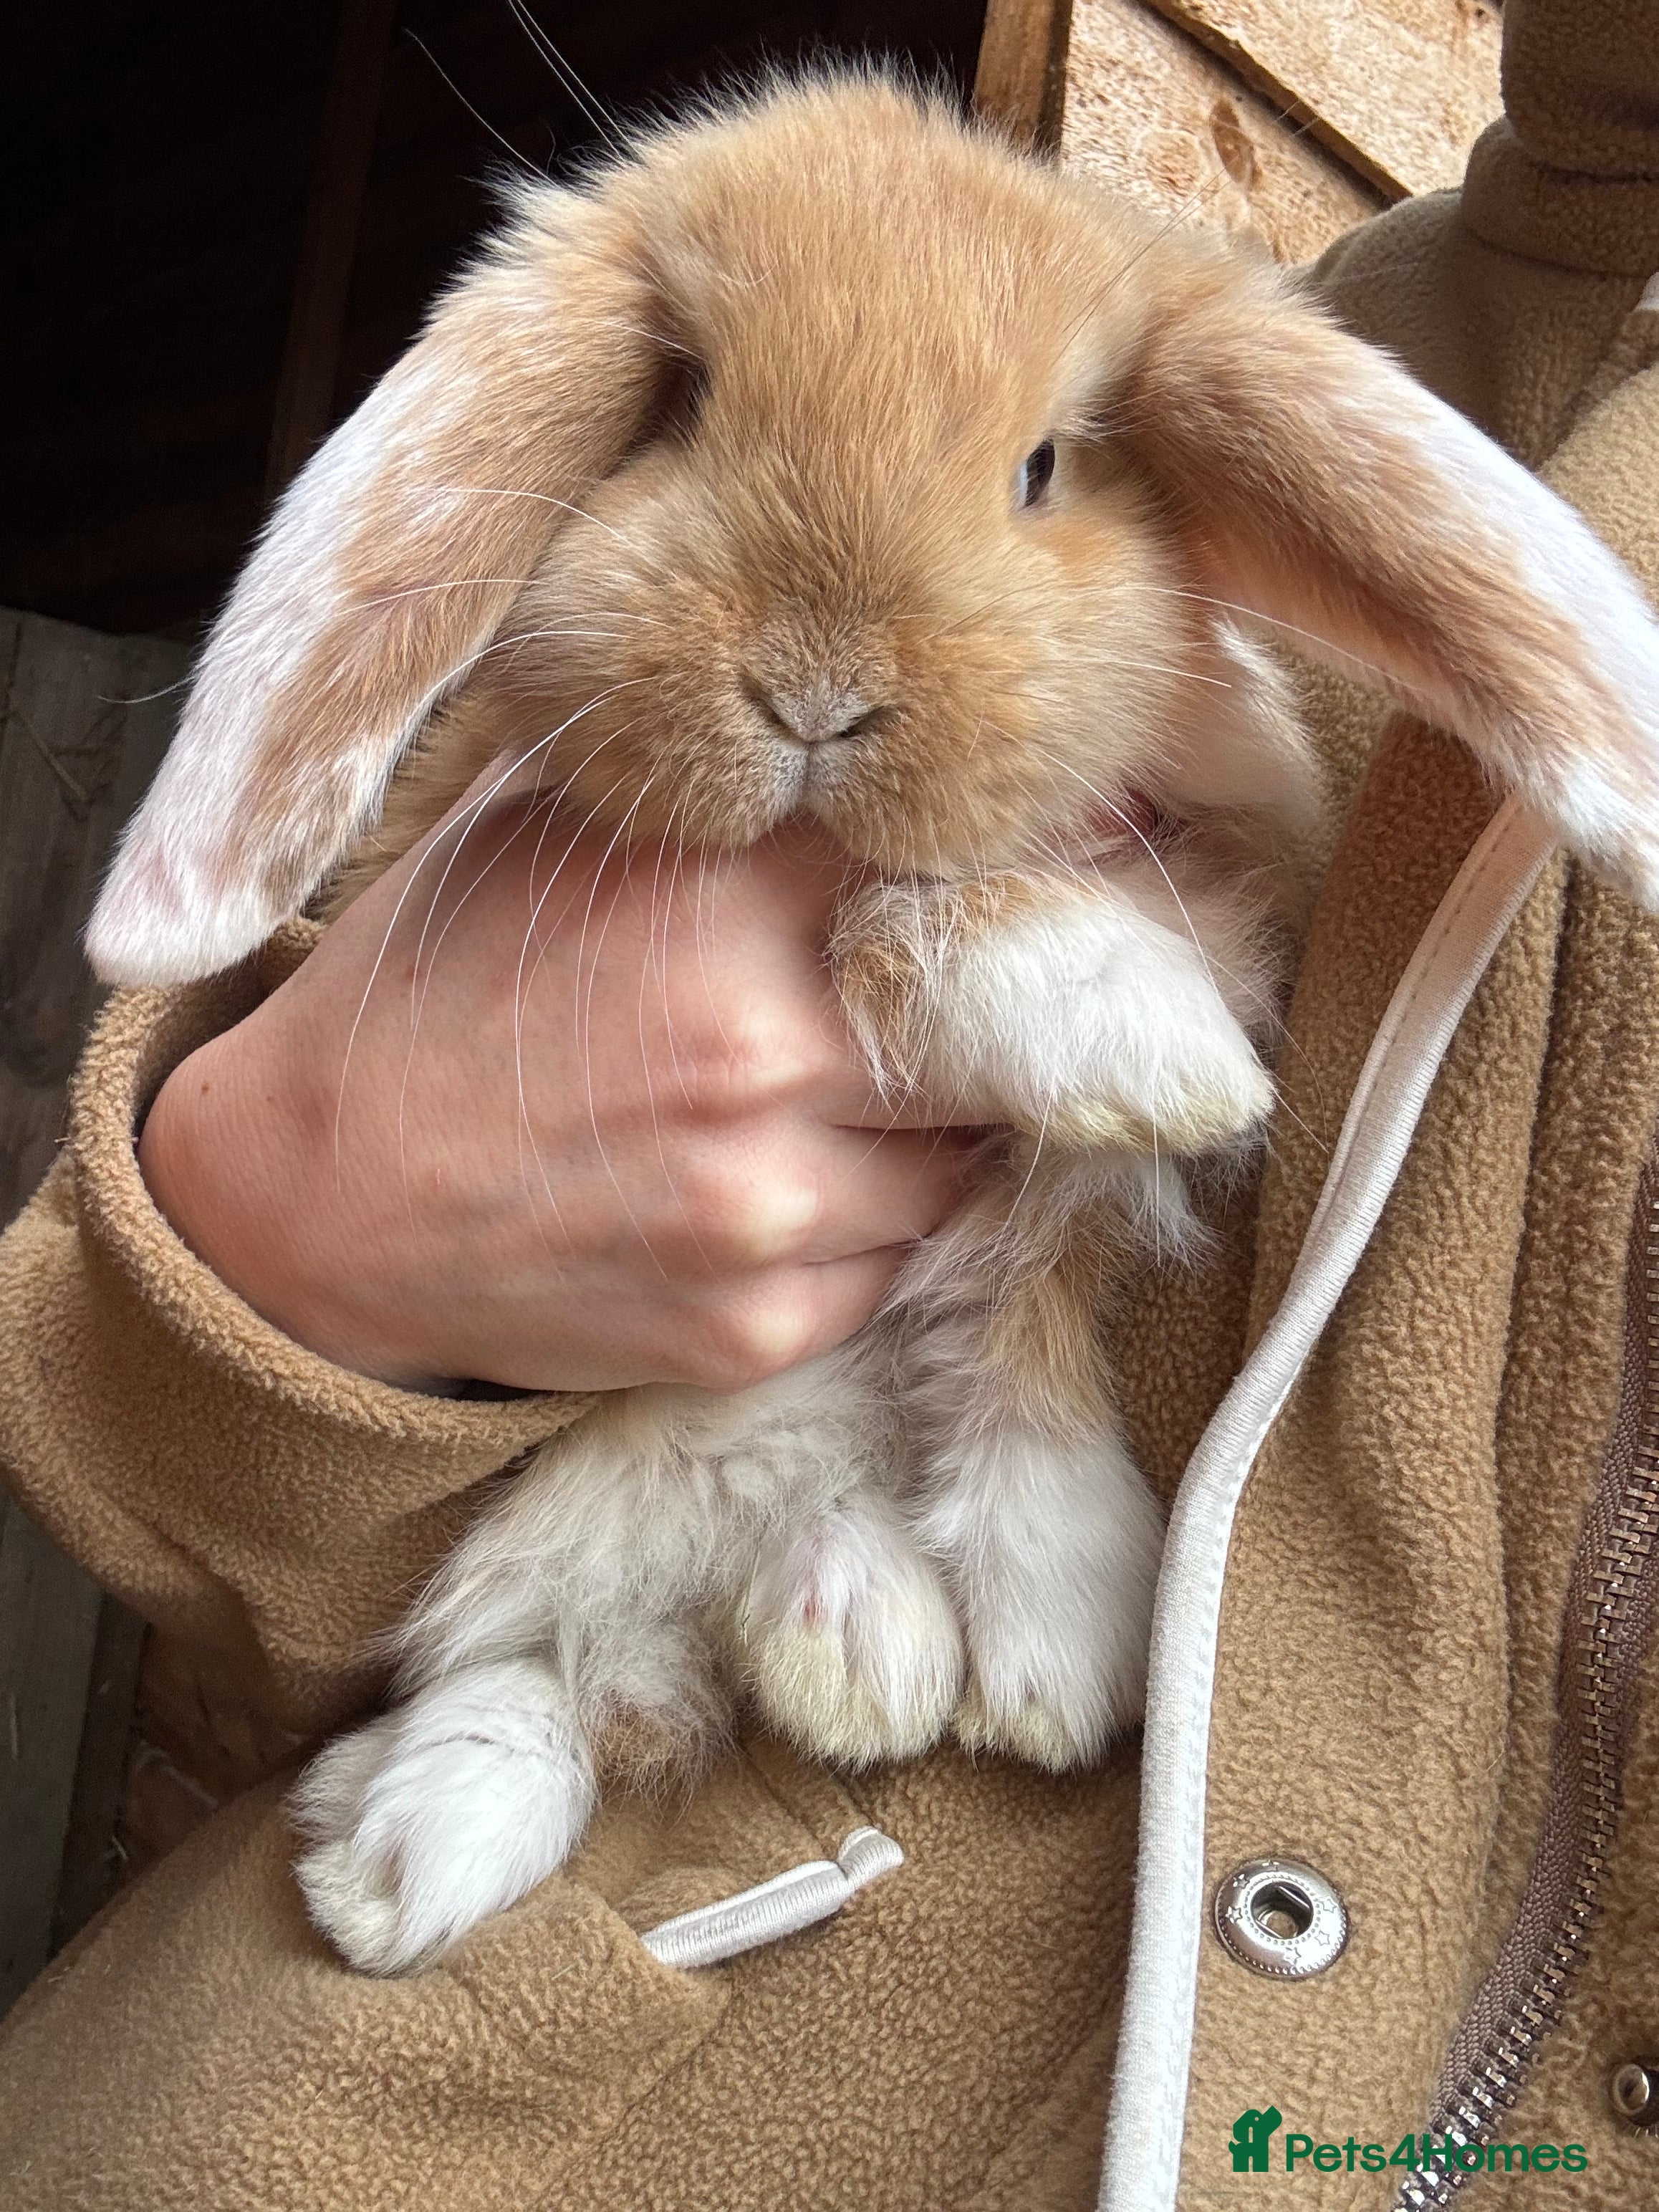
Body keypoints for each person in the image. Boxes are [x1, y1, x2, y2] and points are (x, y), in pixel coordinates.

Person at [3, 0, 1658, 2202]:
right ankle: (552, 1699)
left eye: (1031, 479)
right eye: (690, 418)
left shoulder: (1231, 469)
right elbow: (188, 1512)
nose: (825, 665)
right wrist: (280, 1235)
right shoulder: (1410, 329)